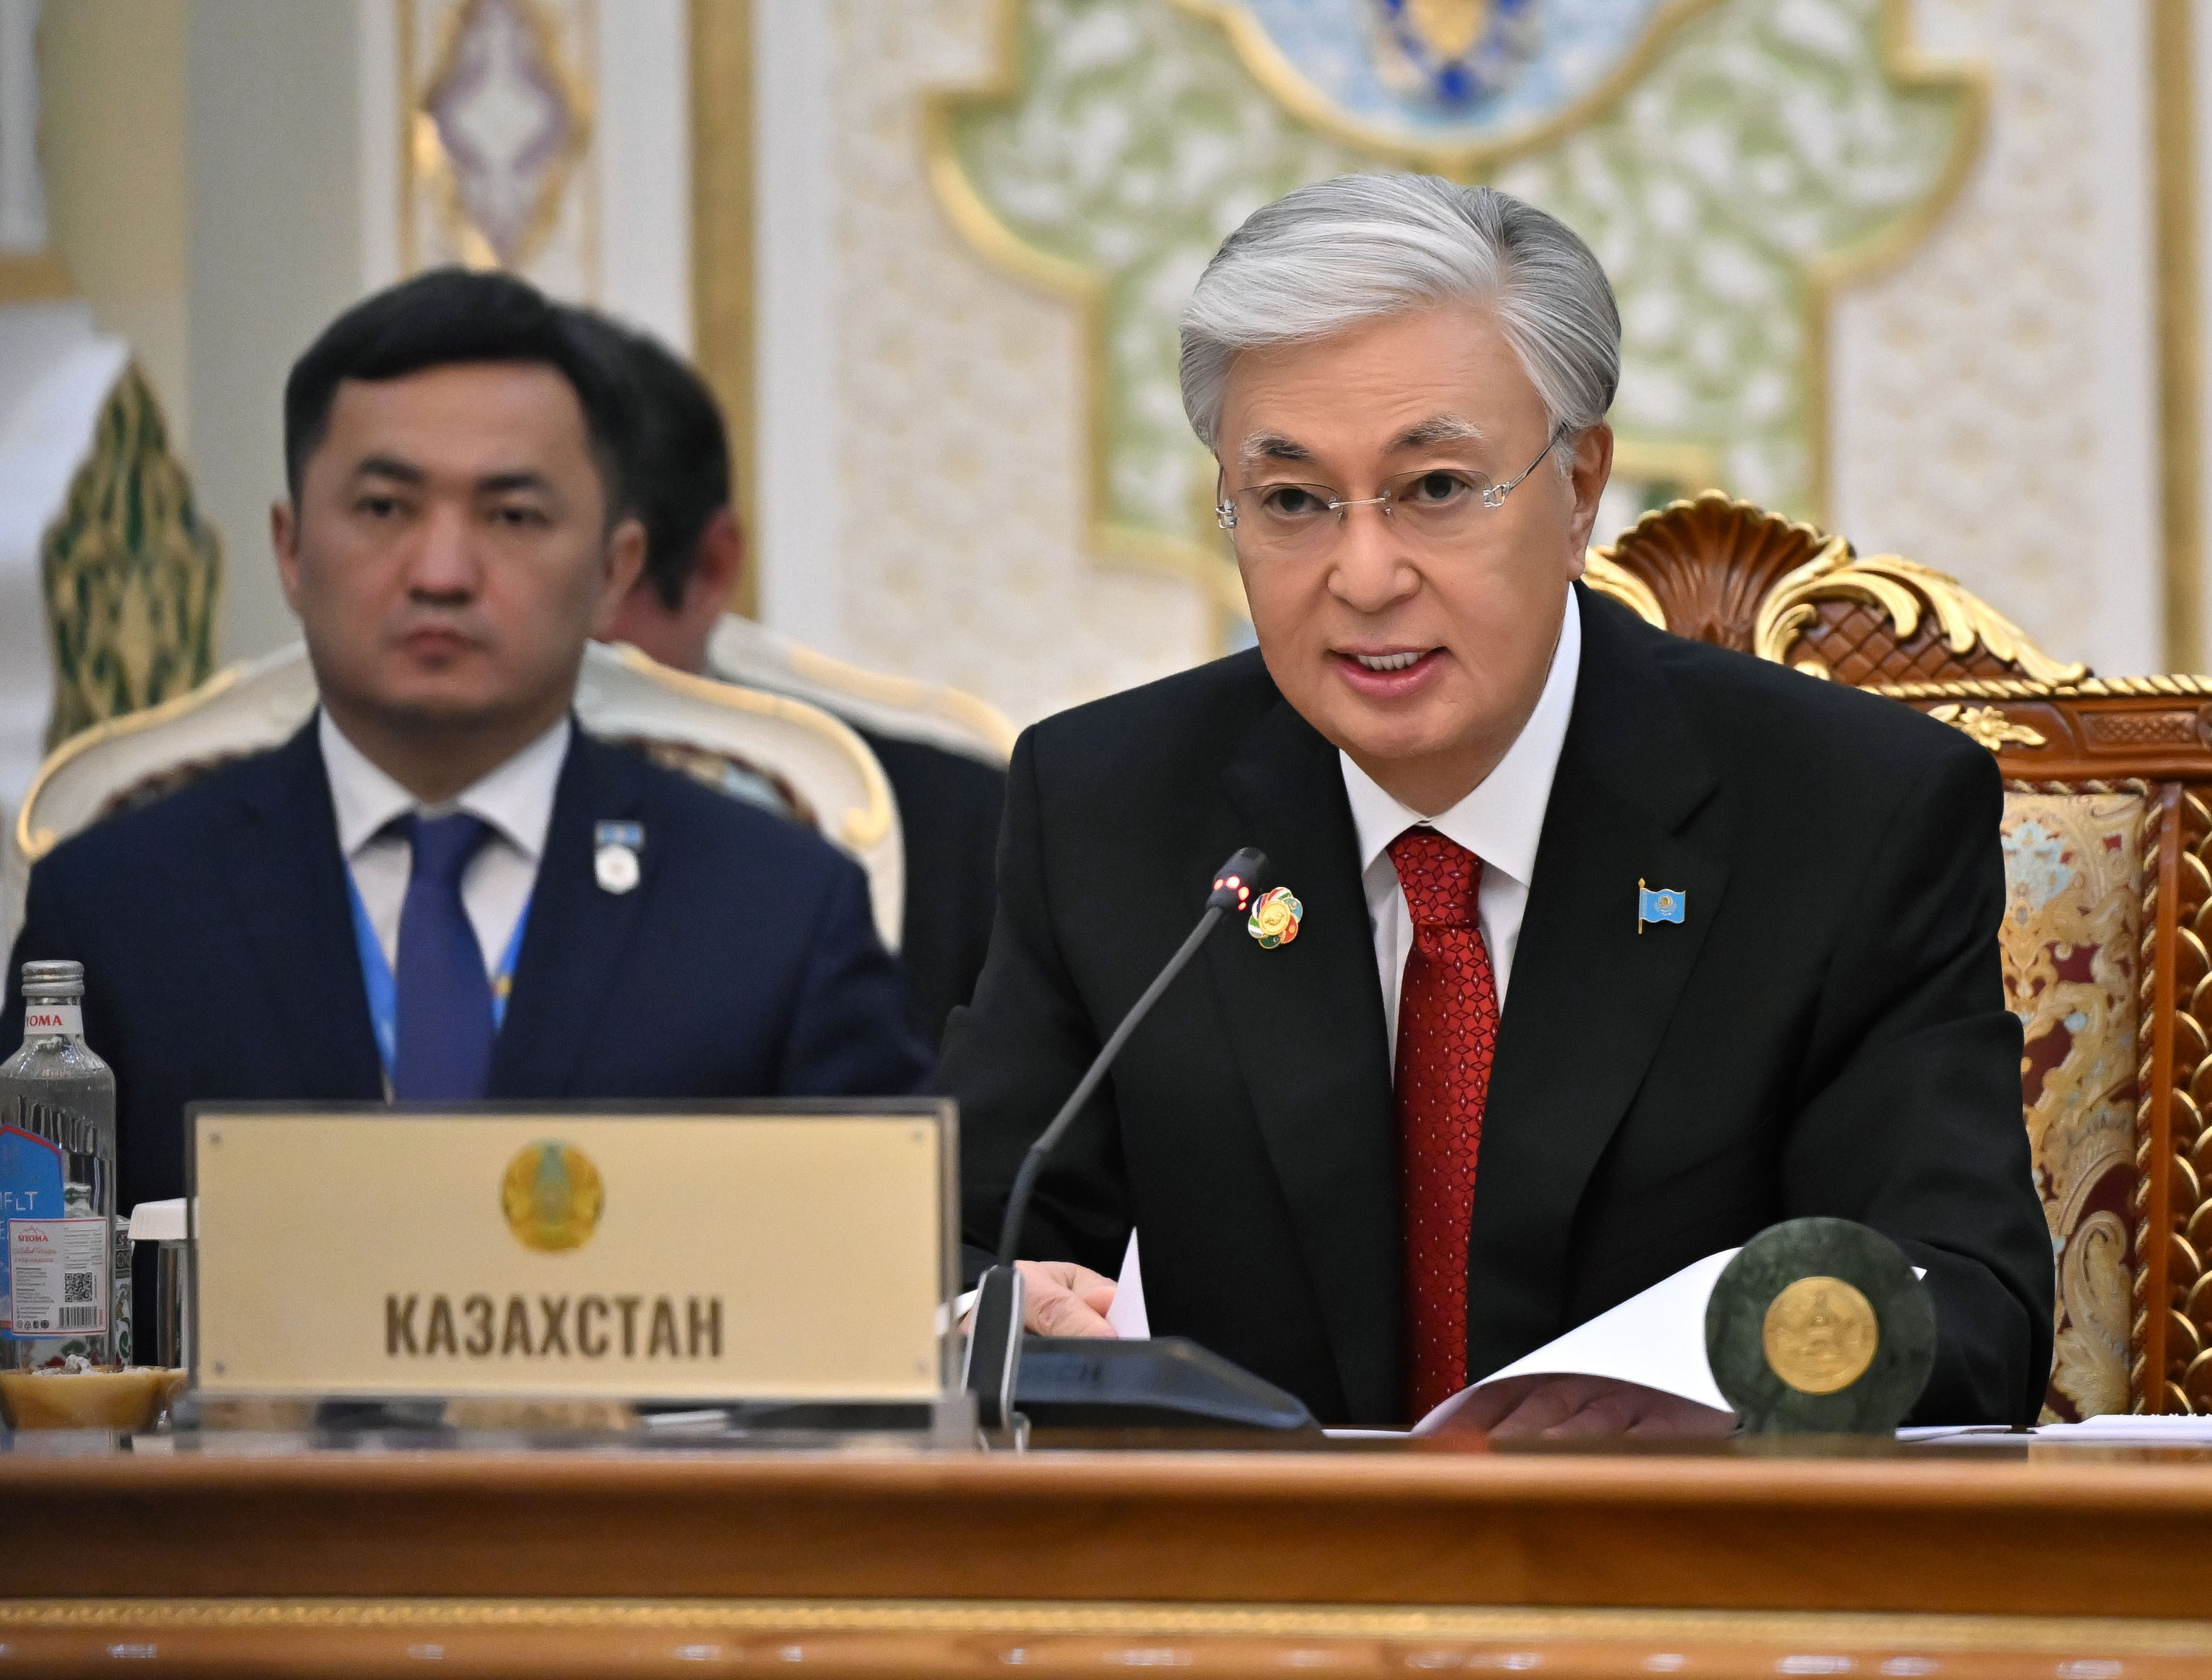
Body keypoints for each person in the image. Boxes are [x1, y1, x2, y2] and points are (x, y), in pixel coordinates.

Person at [943, 174, 2053, 1433]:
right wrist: (986, 1313)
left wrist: (1721, 1385)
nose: (1364, 577)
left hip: (1671, 1550)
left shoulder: (1846, 815)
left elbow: (1967, 1305)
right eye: (1293, 502)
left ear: (1578, 488)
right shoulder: (1110, 809)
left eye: (1433, 488)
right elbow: (962, 1239)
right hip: (1249, 1553)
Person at [6, 269, 929, 1355]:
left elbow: (887, 1302)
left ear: (614, 570)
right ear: (291, 550)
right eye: (384, 509)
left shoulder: (775, 909)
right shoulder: (120, 909)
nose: (441, 573)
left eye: (512, 515)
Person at [591, 319, 1006, 1050]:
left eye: (523, 526)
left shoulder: (963, 839)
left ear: (710, 568)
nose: (452, 581)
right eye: (389, 510)